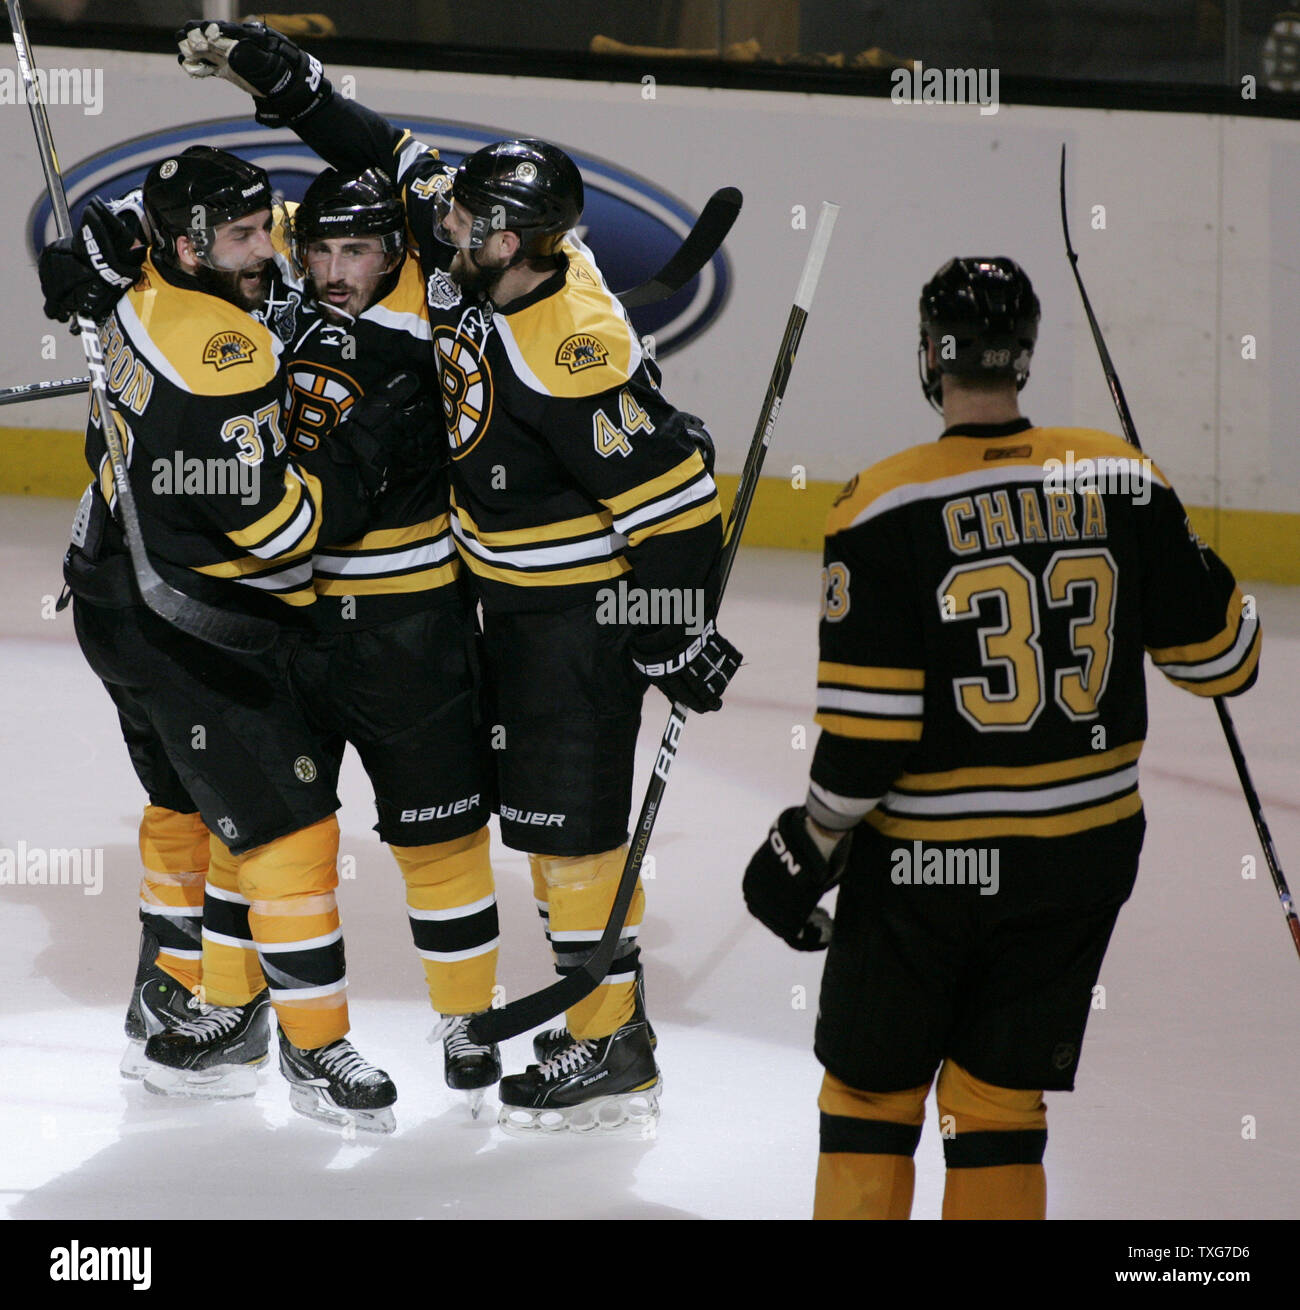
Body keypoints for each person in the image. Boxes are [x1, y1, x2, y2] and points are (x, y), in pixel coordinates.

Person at [173, 18, 744, 1132]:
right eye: (455, 210)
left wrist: (671, 628)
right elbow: (379, 145)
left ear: (523, 243)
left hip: (575, 617)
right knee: (542, 826)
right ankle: (599, 1028)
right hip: (509, 609)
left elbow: (677, 501)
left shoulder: (568, 342)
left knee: (573, 831)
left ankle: (610, 1041)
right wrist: (281, 78)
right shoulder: (468, 248)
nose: (445, 221)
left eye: (471, 221)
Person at [742, 257, 1262, 1218]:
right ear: (1023, 355)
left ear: (928, 360)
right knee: (995, 1101)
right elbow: (1226, 661)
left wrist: (804, 844)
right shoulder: (1120, 475)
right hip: (1082, 856)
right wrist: (1167, 536)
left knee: (871, 1094)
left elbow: (868, 742)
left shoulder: (880, 504)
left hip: (927, 868)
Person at [39, 146, 421, 1132]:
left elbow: (109, 220)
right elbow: (283, 533)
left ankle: (174, 998)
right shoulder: (223, 354)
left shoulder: (138, 285)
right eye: (248, 236)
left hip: (109, 590)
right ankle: (308, 1041)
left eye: (265, 226)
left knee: (185, 801)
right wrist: (348, 453)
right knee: (291, 824)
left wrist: (83, 252)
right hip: (185, 620)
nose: (271, 247)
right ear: (187, 244)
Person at [277, 166, 503, 1112]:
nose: (335, 271)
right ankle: (302, 1039)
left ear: (395, 251)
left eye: (356, 252)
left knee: (443, 833)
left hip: (415, 624)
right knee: (282, 839)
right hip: (291, 622)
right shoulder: (270, 285)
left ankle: (464, 1016)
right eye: (320, 252)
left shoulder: (440, 303)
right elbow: (186, 232)